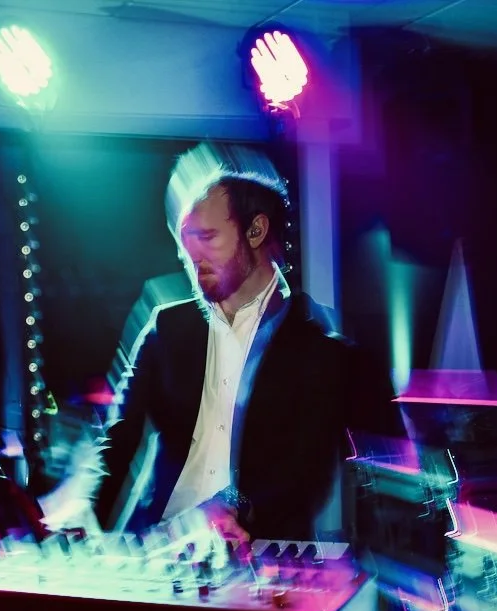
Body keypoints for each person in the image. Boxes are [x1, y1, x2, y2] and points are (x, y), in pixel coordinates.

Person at [91, 150, 390, 543]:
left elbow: (307, 472)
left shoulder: (326, 355)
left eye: (207, 237)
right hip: (161, 547)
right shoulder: (167, 327)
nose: (191, 254)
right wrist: (84, 511)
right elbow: (116, 440)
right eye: (186, 239)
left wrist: (232, 508)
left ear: (256, 231)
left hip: (261, 553)